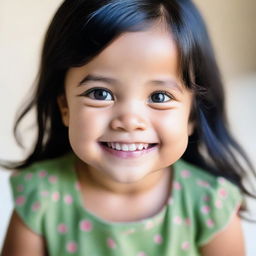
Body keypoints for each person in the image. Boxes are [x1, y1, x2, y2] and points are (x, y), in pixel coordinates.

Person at [1, 0, 255, 255]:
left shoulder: (210, 207)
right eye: (100, 93)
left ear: (192, 116)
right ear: (65, 107)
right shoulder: (40, 198)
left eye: (159, 97)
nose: (129, 120)